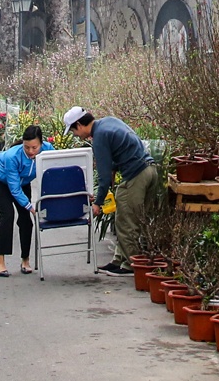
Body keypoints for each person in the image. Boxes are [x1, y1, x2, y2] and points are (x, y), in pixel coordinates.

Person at [65, 106, 158, 276]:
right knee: (131, 218)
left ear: (79, 124)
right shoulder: (108, 121)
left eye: (73, 132)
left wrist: (98, 203)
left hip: (136, 175)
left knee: (126, 222)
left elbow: (104, 175)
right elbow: (123, 148)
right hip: (150, 170)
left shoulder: (99, 137)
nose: (75, 136)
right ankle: (119, 260)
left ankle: (131, 265)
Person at [0, 125, 52, 276]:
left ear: (41, 144)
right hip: (1, 181)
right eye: (26, 147)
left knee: (26, 220)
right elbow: (14, 188)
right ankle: (0, 261)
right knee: (7, 215)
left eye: (34, 147)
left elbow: (56, 169)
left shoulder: (48, 150)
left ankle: (25, 260)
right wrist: (31, 207)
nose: (30, 151)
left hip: (23, 183)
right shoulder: (12, 156)